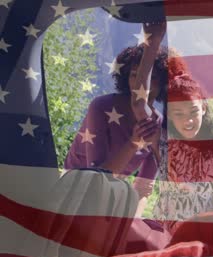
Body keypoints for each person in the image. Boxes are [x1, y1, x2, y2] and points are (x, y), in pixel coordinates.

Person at [64, 22, 187, 217]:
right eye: (133, 75)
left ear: (163, 82)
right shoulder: (101, 106)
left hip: (110, 200)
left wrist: (132, 223)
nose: (138, 82)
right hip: (71, 194)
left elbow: (144, 187)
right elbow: (97, 178)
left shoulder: (158, 124)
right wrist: (133, 143)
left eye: (149, 77)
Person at [153, 74, 213, 235]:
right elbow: (139, 105)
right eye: (179, 113)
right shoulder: (162, 146)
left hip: (205, 234)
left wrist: (202, 227)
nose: (188, 121)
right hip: (163, 236)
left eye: (193, 111)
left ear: (203, 108)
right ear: (170, 116)